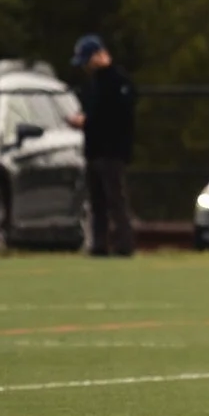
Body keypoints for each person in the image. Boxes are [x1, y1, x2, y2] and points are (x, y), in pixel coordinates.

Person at [68, 35, 136, 257]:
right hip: (94, 149)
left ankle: (123, 244)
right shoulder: (93, 84)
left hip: (113, 150)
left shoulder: (118, 81)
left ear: (98, 55)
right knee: (97, 202)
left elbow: (117, 115)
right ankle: (99, 244)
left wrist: (87, 121)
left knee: (115, 199)